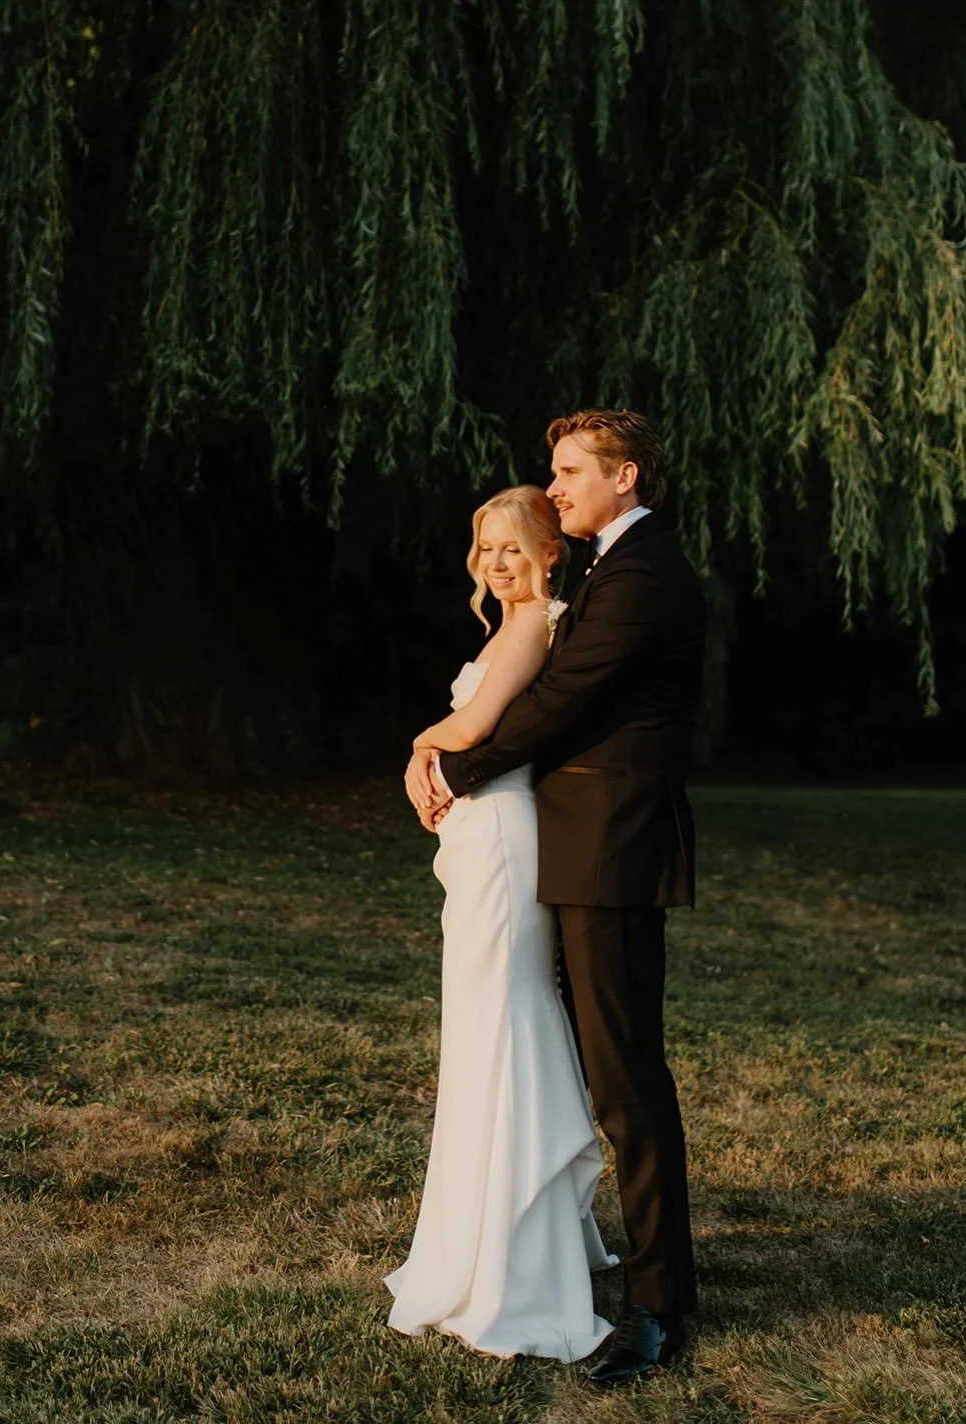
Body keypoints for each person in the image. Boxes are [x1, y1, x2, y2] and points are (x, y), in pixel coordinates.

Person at [406, 408, 706, 1388]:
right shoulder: (604, 570)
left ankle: (661, 1307)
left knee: (628, 1081)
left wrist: (449, 765)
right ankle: (575, 1247)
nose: (557, 482)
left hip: (609, 855)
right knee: (598, 1067)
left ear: (625, 475)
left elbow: (560, 699)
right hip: (573, 851)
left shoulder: (645, 573)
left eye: (571, 468)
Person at [385, 484, 618, 1362]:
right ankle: (491, 1239)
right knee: (485, 1026)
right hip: (484, 829)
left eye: (512, 547)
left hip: (504, 836)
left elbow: (478, 722)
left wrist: (418, 750)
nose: (496, 563)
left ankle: (513, 1257)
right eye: (485, 548)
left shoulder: (533, 625)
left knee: (503, 1020)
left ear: (550, 551)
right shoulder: (514, 623)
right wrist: (435, 763)